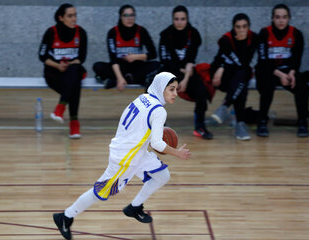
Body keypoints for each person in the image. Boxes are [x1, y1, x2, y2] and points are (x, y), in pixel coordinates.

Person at [52, 72, 191, 240]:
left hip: (135, 151)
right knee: (101, 191)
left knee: (162, 175)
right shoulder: (159, 111)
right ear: (161, 88)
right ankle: (66, 216)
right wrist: (177, 153)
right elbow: (157, 144)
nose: (175, 94)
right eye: (171, 89)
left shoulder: (143, 98)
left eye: (176, 89)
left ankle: (134, 207)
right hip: (126, 158)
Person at [255, 3, 309, 137]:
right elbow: (263, 61)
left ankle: (302, 121)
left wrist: (291, 73)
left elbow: (297, 59)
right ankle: (262, 121)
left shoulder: (296, 34)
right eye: (277, 17)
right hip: (268, 71)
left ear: (289, 18)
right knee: (267, 86)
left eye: (284, 17)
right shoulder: (264, 33)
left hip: (288, 71)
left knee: (302, 87)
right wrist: (280, 75)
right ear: (272, 18)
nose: (281, 20)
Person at [159, 5, 213, 139]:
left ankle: (199, 127)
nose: (179, 22)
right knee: (152, 89)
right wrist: (179, 74)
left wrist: (186, 78)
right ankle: (157, 126)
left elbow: (190, 60)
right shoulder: (165, 34)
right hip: (169, 71)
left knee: (201, 90)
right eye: (176, 19)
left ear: (187, 19)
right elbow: (165, 60)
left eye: (182, 19)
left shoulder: (194, 34)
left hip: (187, 73)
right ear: (173, 19)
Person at [38, 3, 87, 139]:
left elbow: (81, 58)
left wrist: (69, 64)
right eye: (70, 16)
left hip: (71, 70)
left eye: (75, 15)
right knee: (74, 86)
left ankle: (60, 108)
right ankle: (74, 122)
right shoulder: (51, 32)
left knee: (74, 71)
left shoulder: (81, 32)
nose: (74, 19)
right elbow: (42, 57)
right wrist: (58, 66)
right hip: (53, 72)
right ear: (61, 17)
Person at [210, 13, 259, 140]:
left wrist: (225, 66)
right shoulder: (226, 39)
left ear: (249, 27)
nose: (242, 30)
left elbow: (244, 61)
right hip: (221, 75)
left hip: (237, 75)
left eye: (244, 26)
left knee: (242, 77)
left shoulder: (253, 38)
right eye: (238, 27)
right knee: (243, 74)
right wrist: (221, 69)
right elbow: (237, 62)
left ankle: (225, 107)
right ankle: (239, 124)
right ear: (233, 27)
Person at [93, 4, 160, 90]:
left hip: (137, 66)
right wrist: (120, 78)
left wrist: (135, 57)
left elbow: (153, 54)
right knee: (97, 66)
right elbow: (113, 59)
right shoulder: (113, 32)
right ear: (121, 17)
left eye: (132, 15)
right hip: (119, 67)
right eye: (126, 15)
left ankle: (118, 80)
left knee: (157, 65)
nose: (129, 18)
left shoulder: (141, 31)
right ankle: (132, 79)